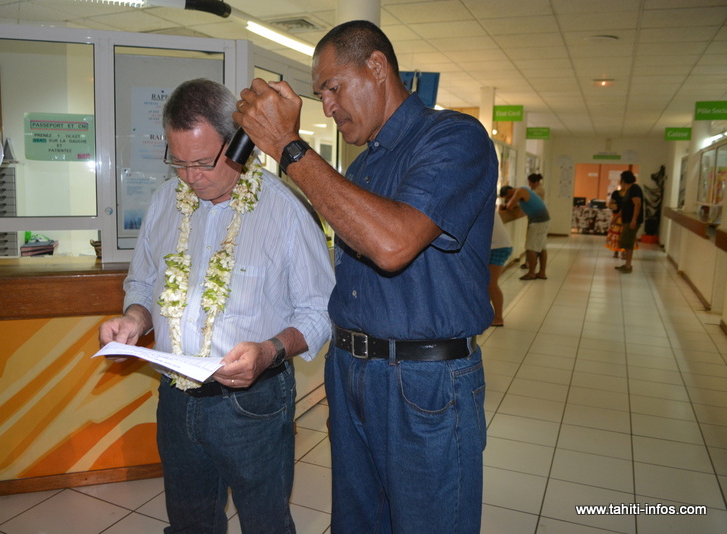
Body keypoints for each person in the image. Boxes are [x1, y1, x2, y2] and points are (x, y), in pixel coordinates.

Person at [234, 19, 497, 534]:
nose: (327, 107)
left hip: (423, 383)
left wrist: (290, 148)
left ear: (377, 67)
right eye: (319, 95)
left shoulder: (454, 138)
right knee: (358, 523)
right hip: (352, 371)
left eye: (333, 88)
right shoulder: (361, 170)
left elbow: (393, 244)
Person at [98, 79, 334, 534]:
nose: (191, 177)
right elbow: (144, 282)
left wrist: (269, 350)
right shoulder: (166, 202)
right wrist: (134, 318)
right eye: (179, 162)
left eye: (204, 162)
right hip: (175, 397)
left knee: (264, 522)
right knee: (189, 524)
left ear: (240, 143)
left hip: (253, 403)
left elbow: (320, 309)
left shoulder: (284, 210)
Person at [500, 184, 550, 280]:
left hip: (538, 221)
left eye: (508, 197)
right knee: (542, 247)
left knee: (530, 247)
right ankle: (542, 272)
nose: (509, 198)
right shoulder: (523, 191)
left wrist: (506, 205)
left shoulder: (520, 191)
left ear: (509, 191)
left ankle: (531, 273)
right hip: (544, 220)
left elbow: (510, 206)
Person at [615, 170, 643, 273]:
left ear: (624, 179)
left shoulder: (634, 189)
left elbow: (638, 204)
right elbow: (625, 207)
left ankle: (628, 266)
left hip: (631, 221)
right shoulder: (629, 189)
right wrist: (616, 217)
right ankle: (627, 264)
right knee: (626, 242)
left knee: (628, 242)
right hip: (627, 220)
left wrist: (634, 220)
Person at [489, 208, 513, 327]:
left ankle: (498, 318)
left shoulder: (480, 205)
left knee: (491, 284)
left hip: (499, 247)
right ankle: (487, 314)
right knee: (486, 284)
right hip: (495, 246)